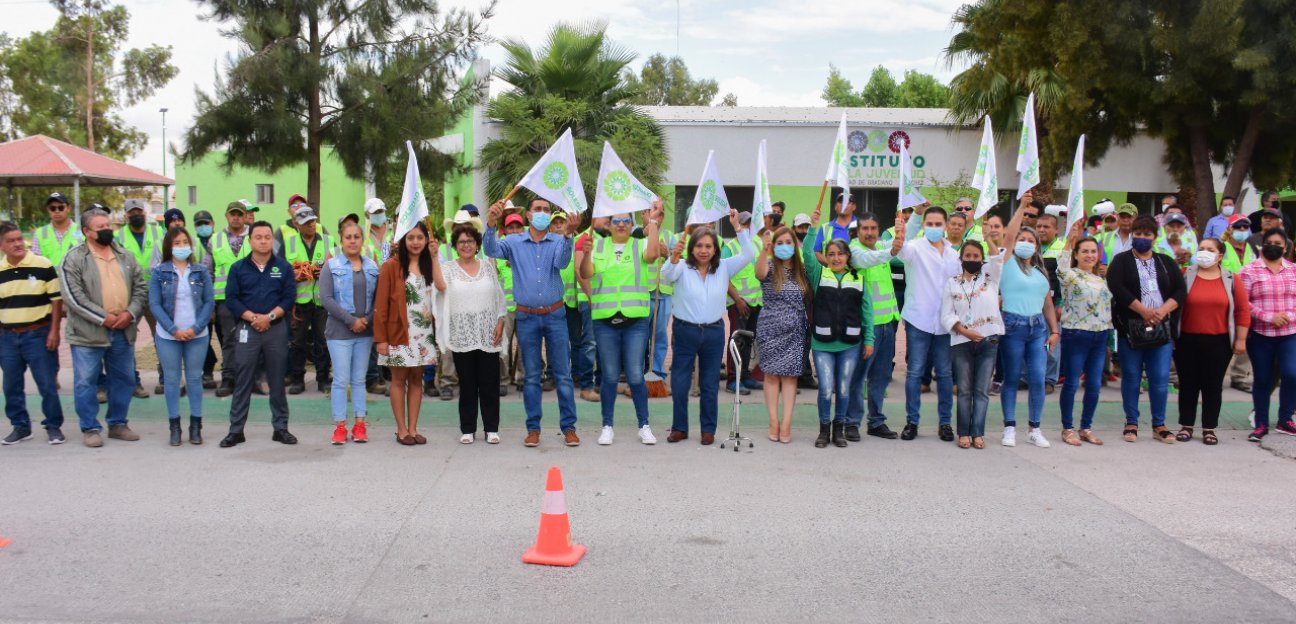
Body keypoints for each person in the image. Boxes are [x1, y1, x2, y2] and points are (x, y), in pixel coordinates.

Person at [484, 198, 582, 447]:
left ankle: (569, 427)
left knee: (562, 374)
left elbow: (562, 263)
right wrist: (491, 223)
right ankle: (533, 429)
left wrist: (569, 234)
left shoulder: (560, 241)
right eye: (537, 209)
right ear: (528, 215)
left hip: (555, 314)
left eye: (546, 210)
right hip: (526, 316)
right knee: (531, 377)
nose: (541, 213)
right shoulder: (514, 242)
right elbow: (490, 250)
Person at [661, 209, 751, 445]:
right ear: (691, 248)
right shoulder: (681, 266)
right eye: (699, 246)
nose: (703, 250)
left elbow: (750, 253)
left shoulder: (723, 268)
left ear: (715, 249)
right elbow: (665, 276)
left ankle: (708, 430)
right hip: (685, 330)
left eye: (708, 246)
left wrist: (737, 229)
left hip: (713, 332)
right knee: (680, 382)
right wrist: (673, 257)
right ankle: (680, 428)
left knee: (710, 383)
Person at [60, 209, 147, 447]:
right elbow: (73, 297)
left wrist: (130, 313)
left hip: (122, 329)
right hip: (88, 333)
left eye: (108, 225)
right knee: (85, 381)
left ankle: (118, 423)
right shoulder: (74, 258)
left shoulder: (125, 256)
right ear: (87, 232)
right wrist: (104, 318)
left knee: (124, 379)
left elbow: (141, 287)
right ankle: (90, 428)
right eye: (100, 227)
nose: (107, 229)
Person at [579, 205, 664, 445]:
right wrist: (586, 254)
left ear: (632, 224)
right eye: (616, 220)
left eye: (626, 220)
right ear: (608, 224)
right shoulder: (598, 246)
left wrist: (654, 222)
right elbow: (586, 273)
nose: (621, 224)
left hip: (635, 321)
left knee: (636, 375)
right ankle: (607, 426)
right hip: (605, 320)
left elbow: (653, 254)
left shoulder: (639, 246)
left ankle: (644, 425)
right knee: (610, 376)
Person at [1106, 215, 1186, 444]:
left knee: (1160, 378)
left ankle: (1159, 424)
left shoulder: (1165, 261)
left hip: (1161, 328)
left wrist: (1161, 311)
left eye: (1147, 234)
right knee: (1131, 376)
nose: (1142, 238)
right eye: (1138, 233)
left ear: (1155, 237)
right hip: (1132, 328)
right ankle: (1131, 421)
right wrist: (1143, 311)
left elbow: (1180, 290)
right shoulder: (1121, 261)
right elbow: (1117, 288)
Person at [220, 221, 297, 448]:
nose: (263, 241)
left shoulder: (283, 267)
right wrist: (252, 317)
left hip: (276, 329)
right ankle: (236, 431)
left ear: (272, 240)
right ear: (250, 240)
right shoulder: (238, 268)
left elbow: (288, 297)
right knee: (242, 380)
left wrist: (269, 317)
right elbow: (231, 298)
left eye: (267, 237)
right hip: (247, 329)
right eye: (258, 237)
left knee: (276, 380)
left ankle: (281, 428)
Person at [995, 194, 1060, 448]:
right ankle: (1009, 427)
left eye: (1030, 240)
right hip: (1013, 327)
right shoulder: (1008, 264)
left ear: (1036, 247)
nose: (1025, 243)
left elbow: (1047, 304)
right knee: (1011, 377)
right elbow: (1009, 237)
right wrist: (1022, 208)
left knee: (1037, 378)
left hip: (1038, 332)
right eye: (1022, 239)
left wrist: (1055, 331)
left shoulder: (1040, 272)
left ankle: (1034, 428)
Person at [433, 224, 507, 445]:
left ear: (477, 245)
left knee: (489, 383)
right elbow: (439, 286)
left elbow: (499, 297)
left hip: (487, 332)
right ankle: (467, 428)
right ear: (455, 246)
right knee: (467, 384)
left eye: (470, 241)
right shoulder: (447, 268)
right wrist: (433, 256)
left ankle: (491, 428)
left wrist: (501, 320)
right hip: (462, 333)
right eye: (462, 242)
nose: (466, 245)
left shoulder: (487, 266)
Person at [1173, 238, 1249, 446]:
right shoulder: (1185, 275)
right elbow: (1173, 303)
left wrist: (1241, 339)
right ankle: (1186, 425)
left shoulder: (1232, 279)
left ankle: (1209, 428)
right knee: (1188, 384)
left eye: (1210, 249)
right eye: (1202, 249)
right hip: (1186, 339)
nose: (1204, 252)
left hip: (1219, 342)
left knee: (1212, 386)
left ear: (1220, 256)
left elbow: (1242, 311)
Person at [896, 204, 961, 441]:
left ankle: (945, 423)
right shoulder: (914, 248)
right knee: (914, 373)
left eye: (938, 224)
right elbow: (901, 248)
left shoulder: (954, 255)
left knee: (944, 374)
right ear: (924, 225)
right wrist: (910, 220)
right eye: (929, 223)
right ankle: (911, 422)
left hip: (945, 323)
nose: (934, 228)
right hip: (919, 320)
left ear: (945, 226)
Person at [804, 237, 875, 448]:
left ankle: (839, 430)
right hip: (822, 344)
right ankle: (824, 429)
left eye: (840, 254)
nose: (836, 258)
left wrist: (869, 339)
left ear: (848, 257)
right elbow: (807, 252)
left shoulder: (859, 279)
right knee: (826, 389)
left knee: (843, 389)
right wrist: (813, 228)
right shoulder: (819, 275)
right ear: (826, 257)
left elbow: (867, 312)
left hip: (850, 344)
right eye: (831, 254)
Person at [0, 221, 65, 445]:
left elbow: (56, 302)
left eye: (20, 239)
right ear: (2, 246)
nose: (18, 244)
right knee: (10, 385)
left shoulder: (43, 265)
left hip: (38, 334)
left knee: (46, 383)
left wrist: (54, 331)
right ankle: (20, 427)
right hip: (7, 337)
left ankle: (54, 426)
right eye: (11, 241)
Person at [148, 228, 214, 446]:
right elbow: (154, 304)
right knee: (172, 380)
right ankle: (174, 426)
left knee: (195, 379)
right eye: (177, 243)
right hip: (168, 336)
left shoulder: (200, 270)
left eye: (185, 242)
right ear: (169, 246)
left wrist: (195, 328)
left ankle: (196, 426)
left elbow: (208, 302)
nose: (182, 246)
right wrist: (173, 329)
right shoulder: (160, 272)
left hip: (198, 335)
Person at [375, 222, 437, 446]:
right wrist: (380, 339)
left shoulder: (428, 265)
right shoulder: (391, 267)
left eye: (420, 237)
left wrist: (436, 256)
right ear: (403, 240)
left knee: (417, 380)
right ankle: (401, 430)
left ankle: (413, 428)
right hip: (398, 332)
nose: (416, 242)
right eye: (410, 238)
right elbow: (381, 305)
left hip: (423, 333)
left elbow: (440, 289)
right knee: (399, 380)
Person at [319, 220, 378, 445]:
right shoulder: (331, 266)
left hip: (365, 332)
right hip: (339, 333)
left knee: (359, 379)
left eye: (356, 237)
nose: (352, 241)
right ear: (341, 241)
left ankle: (360, 425)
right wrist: (351, 320)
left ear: (362, 240)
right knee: (341, 381)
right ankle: (340, 426)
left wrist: (366, 321)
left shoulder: (372, 267)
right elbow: (326, 299)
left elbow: (378, 301)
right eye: (348, 237)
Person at [846, 214, 904, 440]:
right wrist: (891, 251)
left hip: (888, 324)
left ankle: (876, 421)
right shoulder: (854, 251)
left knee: (880, 378)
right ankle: (851, 422)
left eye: (873, 228)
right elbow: (873, 258)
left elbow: (896, 243)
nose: (870, 232)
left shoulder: (880, 245)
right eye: (865, 229)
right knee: (858, 378)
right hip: (867, 329)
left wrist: (912, 220)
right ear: (858, 231)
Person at [941, 240, 1004, 449]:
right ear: (961, 259)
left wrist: (990, 238)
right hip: (961, 341)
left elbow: (997, 260)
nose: (972, 260)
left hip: (989, 341)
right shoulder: (952, 283)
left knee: (982, 391)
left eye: (976, 256)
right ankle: (963, 433)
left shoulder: (991, 280)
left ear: (982, 259)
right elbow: (946, 315)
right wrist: (965, 331)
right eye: (968, 256)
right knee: (965, 390)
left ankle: (978, 433)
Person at [1055, 221, 1112, 446]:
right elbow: (1060, 267)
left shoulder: (1101, 280)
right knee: (1071, 383)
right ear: (1076, 255)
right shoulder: (1070, 277)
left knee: (1094, 384)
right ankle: (1067, 428)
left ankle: (1085, 427)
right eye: (1085, 251)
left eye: (1093, 251)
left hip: (1099, 336)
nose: (1089, 255)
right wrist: (1070, 240)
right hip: (1076, 335)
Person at [754, 225, 810, 443]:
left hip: (795, 330)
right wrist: (764, 250)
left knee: (789, 377)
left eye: (789, 242)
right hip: (770, 330)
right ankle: (773, 421)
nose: (785, 247)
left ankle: (786, 422)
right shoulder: (768, 266)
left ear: (795, 245)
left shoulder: (801, 271)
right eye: (780, 243)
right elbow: (759, 273)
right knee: (771, 376)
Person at [1240, 228, 1296, 441]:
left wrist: (1288, 316)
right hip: (1261, 334)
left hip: (1289, 333)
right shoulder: (1249, 271)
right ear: (1263, 245)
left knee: (1292, 374)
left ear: (1285, 247)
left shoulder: (1293, 270)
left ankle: (1285, 419)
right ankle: (1261, 423)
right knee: (1262, 379)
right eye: (1270, 242)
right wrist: (1267, 316)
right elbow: (1244, 303)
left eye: (1278, 243)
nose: (1274, 246)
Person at [211, 200, 258, 398]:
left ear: (244, 215)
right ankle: (228, 378)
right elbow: (208, 271)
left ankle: (251, 379)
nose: (236, 217)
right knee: (229, 340)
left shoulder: (255, 236)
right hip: (224, 299)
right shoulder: (215, 239)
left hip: (252, 299)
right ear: (227, 216)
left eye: (239, 214)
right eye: (233, 214)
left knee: (252, 340)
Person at [283, 207, 331, 395]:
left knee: (323, 341)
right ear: (297, 224)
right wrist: (306, 270)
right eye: (306, 222)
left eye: (313, 221)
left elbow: (330, 265)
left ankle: (323, 378)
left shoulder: (329, 241)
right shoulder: (289, 243)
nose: (311, 225)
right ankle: (297, 380)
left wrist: (304, 270)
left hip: (321, 301)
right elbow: (285, 270)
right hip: (298, 302)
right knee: (297, 343)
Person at [724, 212, 764, 394]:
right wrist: (737, 299)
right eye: (743, 224)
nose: (747, 228)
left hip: (756, 302)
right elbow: (723, 276)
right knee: (737, 341)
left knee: (748, 341)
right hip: (738, 302)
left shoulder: (756, 244)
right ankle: (733, 378)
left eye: (749, 224)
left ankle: (745, 375)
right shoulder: (730, 247)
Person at [363, 197, 392, 397]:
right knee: (374, 333)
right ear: (367, 215)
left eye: (381, 210)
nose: (379, 214)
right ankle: (374, 378)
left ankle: (392, 377)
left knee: (394, 332)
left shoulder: (396, 231)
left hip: (395, 287)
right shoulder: (364, 235)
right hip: (372, 288)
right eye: (374, 211)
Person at [496, 213, 526, 396]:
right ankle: (502, 379)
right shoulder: (498, 249)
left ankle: (522, 377)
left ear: (522, 229)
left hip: (524, 304)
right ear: (505, 230)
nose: (514, 230)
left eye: (518, 227)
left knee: (525, 343)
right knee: (502, 344)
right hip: (504, 307)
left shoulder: (530, 248)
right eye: (510, 227)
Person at [32, 192, 84, 266]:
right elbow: (36, 262)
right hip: (49, 277)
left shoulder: (82, 231)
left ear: (68, 208)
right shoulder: (40, 233)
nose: (57, 211)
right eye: (52, 208)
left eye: (61, 207)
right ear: (48, 210)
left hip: (75, 277)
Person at [814, 193, 856, 266]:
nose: (844, 205)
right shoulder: (825, 227)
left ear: (854, 206)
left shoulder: (862, 226)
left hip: (856, 274)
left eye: (847, 202)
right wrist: (833, 264)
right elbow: (817, 252)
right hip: (831, 275)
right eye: (841, 202)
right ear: (835, 207)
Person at [1098, 203, 1139, 267]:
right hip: (1108, 276)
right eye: (1122, 217)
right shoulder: (1104, 237)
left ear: (1136, 218)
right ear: (1117, 217)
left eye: (1129, 217)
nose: (1125, 220)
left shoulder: (1141, 239)